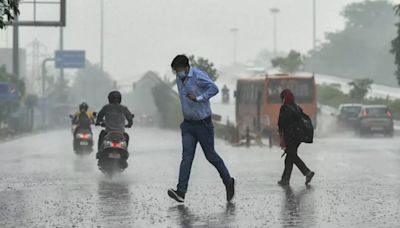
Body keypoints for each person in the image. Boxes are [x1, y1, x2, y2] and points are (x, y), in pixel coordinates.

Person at [167, 54, 235, 203]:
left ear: (186, 67)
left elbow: (214, 88)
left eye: (179, 70)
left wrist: (198, 98)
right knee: (186, 157)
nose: (177, 73)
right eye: (175, 71)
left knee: (210, 156)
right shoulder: (179, 79)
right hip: (188, 125)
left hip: (203, 124)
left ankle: (228, 182)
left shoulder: (198, 76)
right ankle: (181, 192)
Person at [277, 89, 315, 186]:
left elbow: (281, 124)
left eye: (282, 97)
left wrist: (281, 137)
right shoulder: (297, 107)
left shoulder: (285, 108)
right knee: (289, 157)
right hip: (299, 136)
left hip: (290, 136)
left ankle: (307, 172)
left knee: (292, 155)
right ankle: (285, 179)